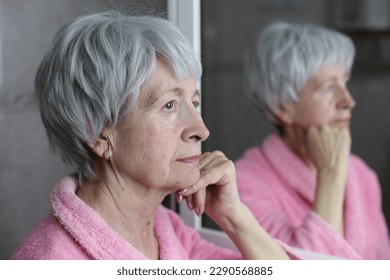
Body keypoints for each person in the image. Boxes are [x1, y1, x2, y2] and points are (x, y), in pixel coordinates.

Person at [11, 11, 292, 260]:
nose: (201, 129)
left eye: (194, 103)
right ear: (96, 133)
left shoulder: (166, 233)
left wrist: (234, 217)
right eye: (169, 105)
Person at [236, 21, 390, 259]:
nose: (348, 101)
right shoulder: (245, 183)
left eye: (345, 83)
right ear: (282, 105)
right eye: (329, 87)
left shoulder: (361, 174)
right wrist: (330, 174)